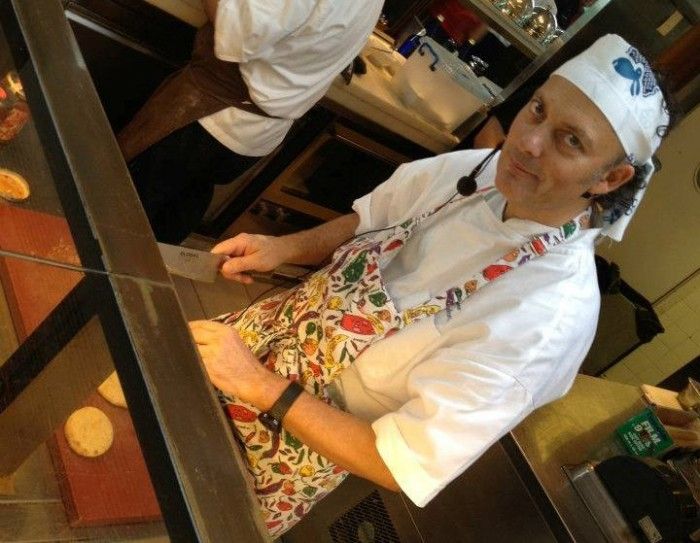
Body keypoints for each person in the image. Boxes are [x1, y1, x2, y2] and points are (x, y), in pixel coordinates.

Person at [189, 35, 673, 536]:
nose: (528, 143)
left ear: (610, 178)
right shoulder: (481, 172)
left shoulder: (546, 319)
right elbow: (370, 221)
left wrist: (259, 384)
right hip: (245, 341)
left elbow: (396, 463)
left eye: (570, 141)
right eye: (537, 110)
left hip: (283, 445)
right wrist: (283, 247)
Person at [117, 0, 384, 244]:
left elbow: (235, 27)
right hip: (256, 134)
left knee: (125, 205)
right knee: (184, 199)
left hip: (213, 120)